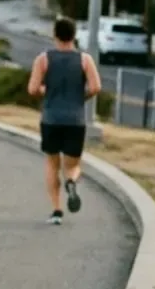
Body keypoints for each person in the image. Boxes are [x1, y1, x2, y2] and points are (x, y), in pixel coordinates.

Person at [27, 17, 102, 225]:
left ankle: (57, 210)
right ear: (74, 35)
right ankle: (71, 181)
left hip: (51, 118)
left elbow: (32, 89)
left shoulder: (43, 59)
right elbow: (96, 87)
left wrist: (47, 91)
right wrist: (81, 97)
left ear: (55, 35)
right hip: (75, 120)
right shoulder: (85, 60)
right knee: (73, 166)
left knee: (52, 163)